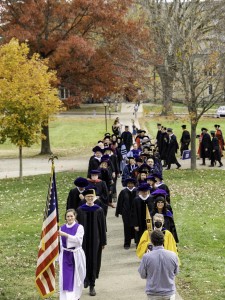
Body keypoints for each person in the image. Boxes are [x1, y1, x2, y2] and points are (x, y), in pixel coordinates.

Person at [76, 189, 107, 296]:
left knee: (94, 260)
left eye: (91, 196)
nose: (89, 198)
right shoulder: (80, 210)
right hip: (83, 240)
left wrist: (103, 241)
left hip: (95, 239)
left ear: (94, 197)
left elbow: (103, 227)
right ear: (85, 198)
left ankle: (92, 285)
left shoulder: (99, 210)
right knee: (83, 259)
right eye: (88, 196)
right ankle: (85, 278)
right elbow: (76, 226)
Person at [138, 230, 179, 300]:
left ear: (151, 241)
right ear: (163, 240)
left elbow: (142, 275)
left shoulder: (146, 257)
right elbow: (176, 272)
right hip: (169, 293)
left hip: (153, 293)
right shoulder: (173, 255)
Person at [58, 209, 86, 300]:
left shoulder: (79, 227)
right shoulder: (62, 228)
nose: (69, 218)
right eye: (68, 216)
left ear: (75, 216)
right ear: (65, 218)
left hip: (76, 255)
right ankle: (67, 297)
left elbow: (78, 240)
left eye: (71, 216)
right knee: (67, 279)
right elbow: (60, 244)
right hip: (65, 255)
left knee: (78, 277)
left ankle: (76, 296)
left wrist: (65, 235)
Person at [115, 178, 137, 249]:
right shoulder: (123, 192)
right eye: (128, 183)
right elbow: (120, 202)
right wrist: (118, 211)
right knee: (126, 227)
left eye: (131, 183)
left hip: (135, 213)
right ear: (126, 184)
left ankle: (137, 242)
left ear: (134, 184)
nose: (130, 185)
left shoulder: (137, 191)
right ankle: (127, 243)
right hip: (126, 213)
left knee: (136, 227)